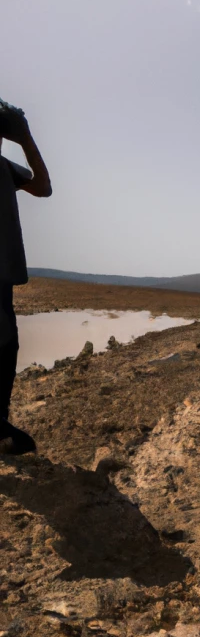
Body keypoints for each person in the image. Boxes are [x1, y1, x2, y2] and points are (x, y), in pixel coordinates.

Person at [0, 98, 52, 455]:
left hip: (2, 276)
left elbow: (43, 187)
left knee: (6, 346)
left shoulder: (4, 167)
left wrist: (26, 139)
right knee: (3, 344)